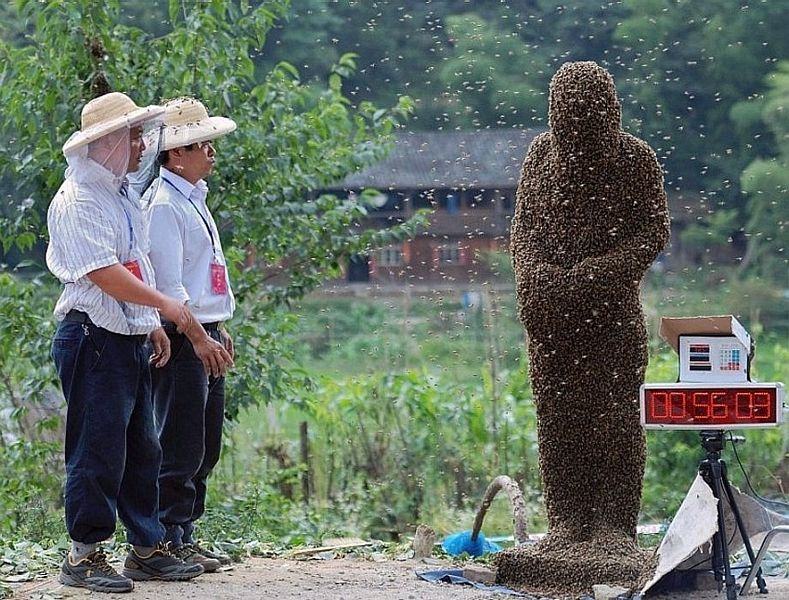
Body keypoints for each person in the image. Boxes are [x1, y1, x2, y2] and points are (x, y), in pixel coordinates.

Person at [47, 92, 233, 593]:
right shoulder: (78, 200)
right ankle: (84, 555)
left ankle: (147, 546)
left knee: (141, 449)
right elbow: (104, 274)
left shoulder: (121, 195)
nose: (140, 144)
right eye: (131, 136)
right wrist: (169, 309)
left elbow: (135, 262)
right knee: (97, 449)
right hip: (92, 337)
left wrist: (148, 320)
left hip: (124, 335)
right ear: (106, 142)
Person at [142, 97, 237, 572]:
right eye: (202, 146)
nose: (211, 154)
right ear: (176, 154)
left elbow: (206, 276)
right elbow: (170, 288)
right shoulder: (163, 206)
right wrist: (200, 336)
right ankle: (163, 537)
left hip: (204, 330)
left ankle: (185, 533)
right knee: (178, 442)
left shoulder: (192, 201)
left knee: (203, 443)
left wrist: (219, 326)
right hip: (182, 336)